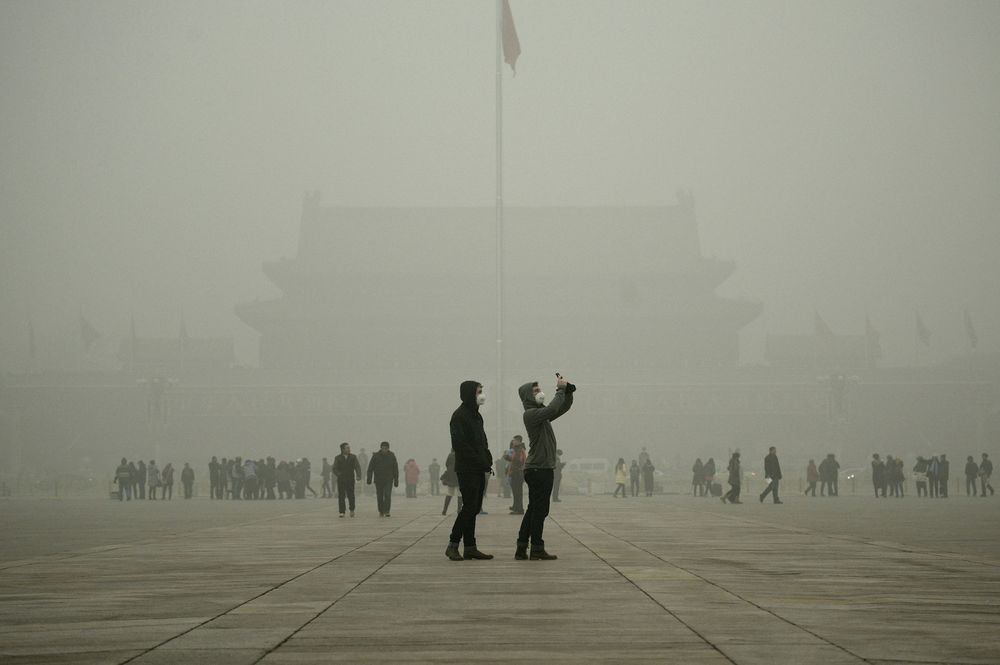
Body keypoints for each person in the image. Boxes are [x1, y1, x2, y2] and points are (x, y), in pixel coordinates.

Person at [515, 375, 575, 561]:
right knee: (540, 510)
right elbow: (553, 407)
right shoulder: (531, 415)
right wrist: (560, 390)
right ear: (527, 396)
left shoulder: (541, 415)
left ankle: (522, 547)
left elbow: (561, 408)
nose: (539, 392)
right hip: (539, 469)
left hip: (540, 468)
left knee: (534, 509)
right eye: (535, 391)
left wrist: (568, 392)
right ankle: (537, 548)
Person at [445, 380, 494, 561]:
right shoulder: (459, 416)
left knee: (474, 508)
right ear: (468, 394)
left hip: (479, 467)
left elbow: (482, 441)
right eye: (478, 391)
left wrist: (486, 458)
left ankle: (470, 547)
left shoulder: (476, 415)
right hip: (467, 468)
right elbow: (460, 444)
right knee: (469, 508)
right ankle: (453, 544)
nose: (481, 394)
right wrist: (479, 459)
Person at [367, 441, 399, 517]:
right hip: (379, 479)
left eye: (386, 448)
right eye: (383, 448)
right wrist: (369, 478)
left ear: (388, 448)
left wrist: (396, 480)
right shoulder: (376, 456)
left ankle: (387, 511)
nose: (384, 449)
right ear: (381, 448)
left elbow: (395, 468)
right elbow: (370, 468)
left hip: (388, 479)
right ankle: (381, 510)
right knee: (380, 496)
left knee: (387, 495)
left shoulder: (392, 456)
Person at [333, 442, 362, 517]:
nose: (349, 449)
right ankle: (342, 511)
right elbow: (334, 468)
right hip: (341, 480)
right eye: (347, 448)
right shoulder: (338, 458)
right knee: (341, 496)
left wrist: (358, 475)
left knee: (351, 495)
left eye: (349, 448)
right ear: (342, 449)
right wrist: (339, 474)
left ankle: (352, 509)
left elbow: (357, 467)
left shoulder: (353, 457)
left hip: (350, 479)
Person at [507, 437, 526, 514]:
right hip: (515, 473)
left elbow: (519, 461)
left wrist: (509, 458)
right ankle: (516, 507)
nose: (513, 441)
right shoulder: (516, 450)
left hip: (517, 473)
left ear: (518, 441)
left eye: (514, 440)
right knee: (515, 491)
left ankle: (519, 509)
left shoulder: (519, 450)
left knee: (517, 492)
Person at [441, 450, 460, 515]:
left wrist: (450, 468)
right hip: (459, 473)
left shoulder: (450, 455)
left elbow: (447, 464)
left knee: (449, 493)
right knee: (460, 493)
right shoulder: (462, 453)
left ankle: (444, 510)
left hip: (451, 473)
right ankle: (459, 510)